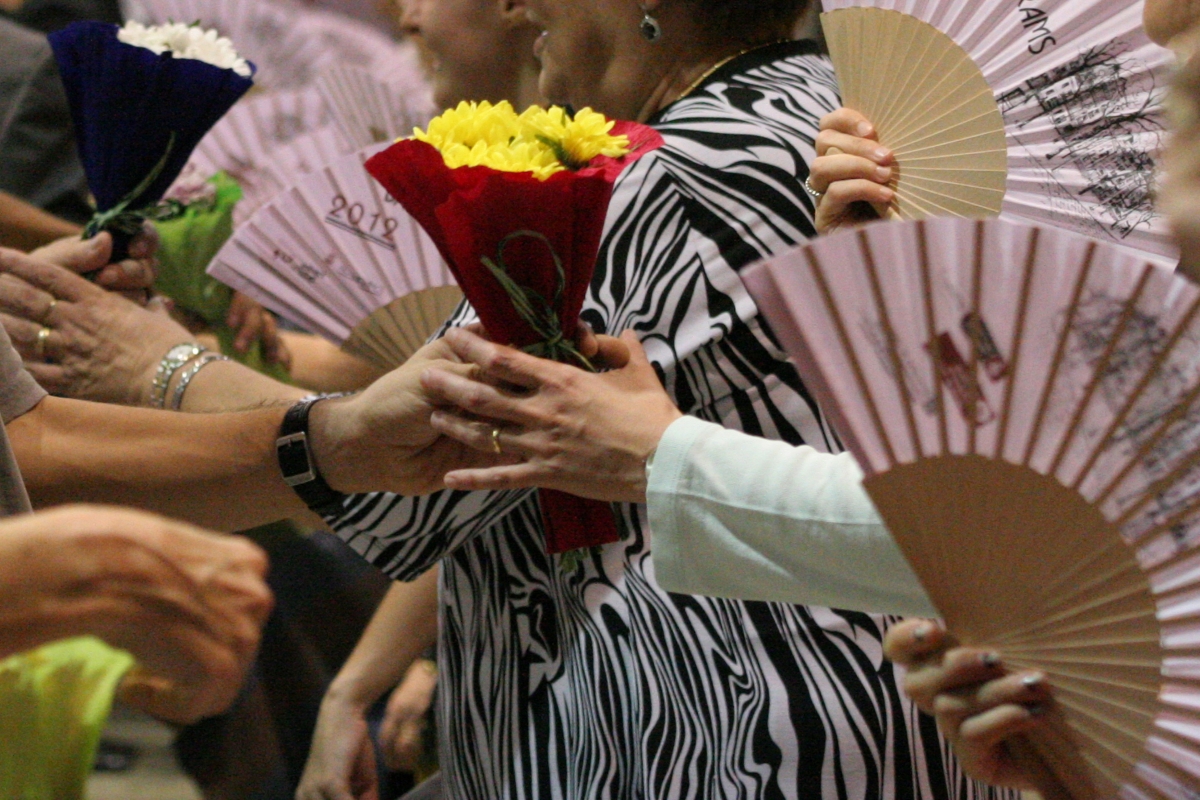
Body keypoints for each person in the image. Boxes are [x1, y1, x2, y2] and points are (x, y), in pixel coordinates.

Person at [306, 0, 1011, 797]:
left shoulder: (647, 186)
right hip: (899, 711)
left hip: (719, 734)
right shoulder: (858, 122)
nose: (521, 5)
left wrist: (191, 362)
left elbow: (394, 485)